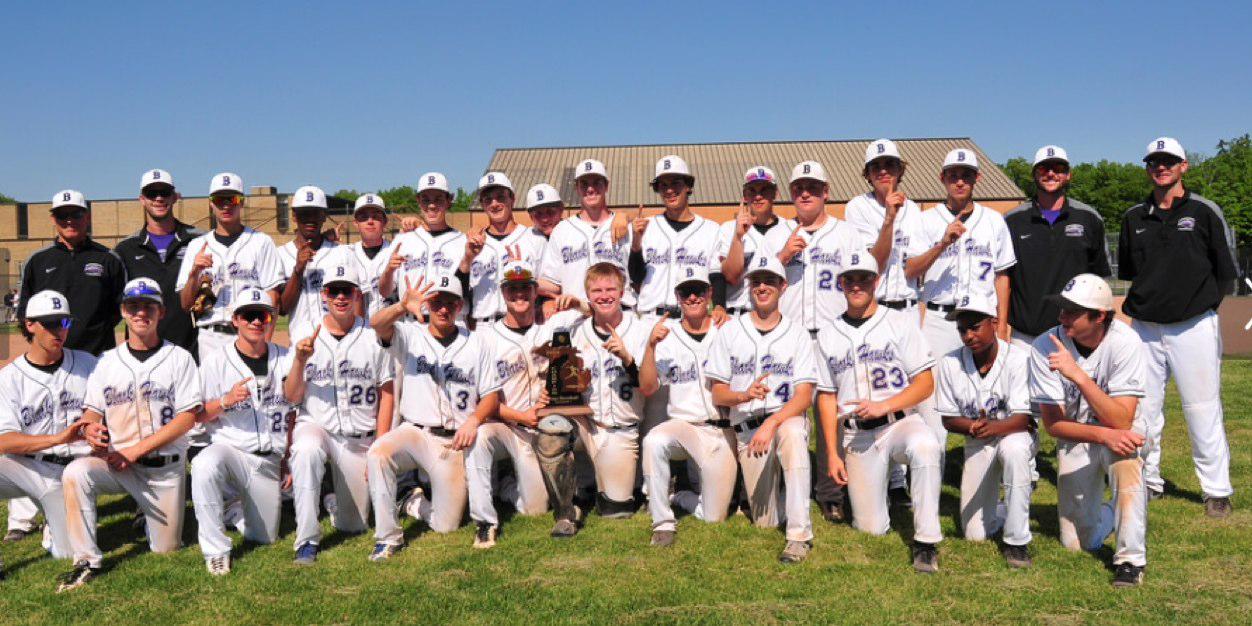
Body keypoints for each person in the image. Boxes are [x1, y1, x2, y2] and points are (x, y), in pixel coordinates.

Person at [56, 278, 202, 592]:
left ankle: (150, 517)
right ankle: (85, 559)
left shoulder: (179, 358)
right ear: (123, 311)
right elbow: (92, 411)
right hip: (117, 467)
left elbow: (188, 418)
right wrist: (91, 429)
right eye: (133, 306)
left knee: (165, 549)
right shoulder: (106, 362)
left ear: (161, 312)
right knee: (77, 472)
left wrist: (133, 451)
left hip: (164, 470)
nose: (141, 313)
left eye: (148, 306)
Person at [1118, 137, 1238, 515]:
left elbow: (1225, 275)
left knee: (1202, 407)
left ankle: (1216, 489)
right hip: (1145, 327)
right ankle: (1148, 480)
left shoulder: (1204, 212)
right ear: (1147, 167)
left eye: (1168, 161)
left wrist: (1199, 308)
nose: (1161, 167)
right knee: (1142, 410)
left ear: (1183, 165)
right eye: (1154, 161)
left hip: (1193, 325)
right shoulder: (1133, 217)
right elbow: (1132, 273)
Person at [814, 253, 942, 573]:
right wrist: (832, 454)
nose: (857, 285)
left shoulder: (899, 322)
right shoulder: (828, 335)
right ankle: (879, 500)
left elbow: (925, 384)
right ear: (841, 284)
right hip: (857, 435)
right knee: (870, 528)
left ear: (877, 281)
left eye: (864, 278)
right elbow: (827, 398)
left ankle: (926, 541)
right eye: (850, 280)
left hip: (899, 423)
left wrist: (885, 405)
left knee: (926, 446)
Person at [366, 273, 500, 559]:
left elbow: (491, 395)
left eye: (450, 303)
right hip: (415, 432)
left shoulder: (477, 343)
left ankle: (412, 504)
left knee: (446, 525)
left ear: (460, 306)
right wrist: (402, 306)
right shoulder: (410, 334)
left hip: (453, 441)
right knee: (378, 453)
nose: (443, 309)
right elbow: (376, 323)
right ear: (427, 304)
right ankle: (388, 537)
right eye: (437, 302)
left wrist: (474, 420)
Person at [1029, 274, 1149, 587]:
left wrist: (1079, 376)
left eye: (1072, 311)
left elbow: (1122, 421)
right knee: (1079, 543)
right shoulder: (1044, 345)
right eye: (1061, 309)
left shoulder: (1126, 342)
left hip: (1122, 432)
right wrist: (1103, 434)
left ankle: (1130, 561)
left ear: (1100, 316)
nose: (1062, 317)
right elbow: (1053, 425)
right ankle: (1111, 511)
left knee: (1126, 460)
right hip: (1076, 436)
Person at [706, 255, 816, 564]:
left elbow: (805, 396)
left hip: (784, 418)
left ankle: (799, 536)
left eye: (770, 281)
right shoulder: (729, 332)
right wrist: (742, 396)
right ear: (749, 287)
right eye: (756, 281)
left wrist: (773, 423)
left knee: (793, 435)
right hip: (747, 431)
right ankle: (783, 498)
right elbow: (718, 393)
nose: (762, 286)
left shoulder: (798, 333)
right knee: (765, 520)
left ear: (783, 286)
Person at [775, 160, 868, 524]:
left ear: (826, 192)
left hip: (833, 334)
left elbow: (862, 281)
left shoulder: (845, 234)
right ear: (792, 194)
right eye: (799, 187)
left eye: (812, 187)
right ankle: (788, 485)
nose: (806, 193)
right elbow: (759, 280)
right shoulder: (780, 232)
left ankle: (832, 490)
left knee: (836, 414)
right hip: (793, 336)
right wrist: (783, 255)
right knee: (790, 413)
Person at [284, 262, 394, 564]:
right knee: (306, 450)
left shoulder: (373, 336)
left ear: (357, 294)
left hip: (359, 439)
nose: (341, 297)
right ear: (324, 295)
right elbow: (291, 396)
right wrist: (299, 362)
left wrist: (380, 444)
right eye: (335, 291)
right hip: (318, 427)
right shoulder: (306, 335)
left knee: (353, 525)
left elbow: (387, 392)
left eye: (347, 290)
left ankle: (334, 502)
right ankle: (306, 541)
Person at [532, 262, 651, 535]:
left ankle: (594, 486)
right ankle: (566, 512)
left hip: (621, 430)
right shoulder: (574, 326)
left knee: (616, 510)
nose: (604, 295)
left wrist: (628, 359)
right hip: (585, 422)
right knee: (551, 430)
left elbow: (647, 386)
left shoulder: (642, 330)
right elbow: (536, 349)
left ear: (622, 293)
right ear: (587, 295)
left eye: (611, 289)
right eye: (596, 290)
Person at [466, 260, 566, 548]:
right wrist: (521, 416)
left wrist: (570, 301)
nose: (519, 294)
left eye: (525, 288)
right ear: (503, 293)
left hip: (537, 428)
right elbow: (480, 399)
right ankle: (485, 521)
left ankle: (508, 486)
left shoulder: (548, 330)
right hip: (504, 423)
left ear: (535, 292)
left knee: (534, 508)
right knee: (479, 435)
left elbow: (586, 314)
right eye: (512, 289)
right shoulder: (485, 338)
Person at [192, 287, 291, 575]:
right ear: (235, 320)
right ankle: (216, 551)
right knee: (203, 463)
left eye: (262, 315)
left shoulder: (285, 357)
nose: (257, 322)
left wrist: (286, 456)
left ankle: (234, 510)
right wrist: (225, 401)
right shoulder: (215, 362)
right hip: (232, 451)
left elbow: (294, 412)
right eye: (249, 315)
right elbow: (197, 415)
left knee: (265, 537)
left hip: (268, 460)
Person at [0, 291, 97, 576]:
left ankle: (53, 527)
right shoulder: (9, 378)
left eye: (64, 323)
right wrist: (57, 439)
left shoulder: (88, 364)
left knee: (65, 553)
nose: (59, 330)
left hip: (75, 472)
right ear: (30, 325)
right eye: (51, 323)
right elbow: (4, 440)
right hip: (30, 466)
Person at [638, 266, 736, 547]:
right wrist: (650, 347)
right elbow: (647, 387)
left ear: (709, 294)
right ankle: (663, 521)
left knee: (715, 516)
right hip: (684, 427)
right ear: (677, 297)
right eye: (685, 292)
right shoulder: (666, 336)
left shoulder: (726, 330)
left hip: (721, 429)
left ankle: (678, 495)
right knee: (654, 440)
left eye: (699, 291)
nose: (693, 297)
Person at [935, 297, 1035, 568]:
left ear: (994, 323)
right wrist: (970, 427)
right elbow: (947, 419)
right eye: (962, 329)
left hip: (1014, 435)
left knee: (1013, 451)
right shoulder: (949, 363)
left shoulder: (1018, 359)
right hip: (978, 441)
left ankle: (1017, 542)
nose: (968, 335)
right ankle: (1009, 506)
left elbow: (1023, 419)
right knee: (974, 534)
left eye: (975, 327)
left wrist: (991, 427)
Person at [1004, 146, 1111, 350]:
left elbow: (1101, 278)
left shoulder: (1089, 217)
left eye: (1058, 168)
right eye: (1044, 168)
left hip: (1076, 334)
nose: (1051, 173)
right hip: (1025, 336)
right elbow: (1001, 279)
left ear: (1068, 175)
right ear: (1034, 174)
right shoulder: (1012, 220)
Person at [176, 173, 284, 364]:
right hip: (211, 337)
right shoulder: (197, 246)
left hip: (250, 332)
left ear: (241, 202)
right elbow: (185, 305)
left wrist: (265, 340)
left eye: (232, 199)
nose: (226, 205)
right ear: (211, 203)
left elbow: (272, 296)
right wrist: (194, 275)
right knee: (215, 394)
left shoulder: (261, 242)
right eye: (219, 199)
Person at [18, 190, 126, 356]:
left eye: (76, 214)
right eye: (62, 215)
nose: (69, 220)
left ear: (87, 217)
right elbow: (25, 310)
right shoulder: (37, 261)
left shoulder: (108, 258)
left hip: (97, 355)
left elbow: (120, 308)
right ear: (53, 219)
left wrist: (94, 330)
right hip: (52, 356)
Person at [115, 169, 206, 360]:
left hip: (191, 349)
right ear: (142, 199)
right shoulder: (126, 249)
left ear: (174, 197)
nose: (158, 198)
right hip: (143, 351)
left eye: (164, 193)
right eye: (151, 193)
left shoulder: (198, 241)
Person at [630, 155, 725, 321]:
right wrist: (636, 244)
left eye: (676, 183)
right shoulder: (647, 226)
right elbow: (636, 277)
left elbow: (716, 275)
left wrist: (719, 305)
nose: (669, 190)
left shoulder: (711, 229)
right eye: (663, 185)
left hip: (693, 320)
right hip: (651, 318)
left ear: (688, 186)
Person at [537, 158, 634, 312]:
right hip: (576, 315)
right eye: (584, 184)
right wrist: (523, 280)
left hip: (620, 313)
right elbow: (553, 282)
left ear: (606, 186)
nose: (590, 189)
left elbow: (637, 274)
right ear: (577, 188)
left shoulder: (625, 227)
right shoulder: (562, 230)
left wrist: (627, 216)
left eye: (597, 182)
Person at [844, 139, 923, 313]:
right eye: (875, 166)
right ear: (868, 174)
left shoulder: (913, 210)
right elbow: (874, 265)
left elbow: (913, 271)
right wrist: (889, 219)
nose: (883, 171)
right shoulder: (857, 207)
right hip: (875, 307)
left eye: (890, 164)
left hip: (909, 308)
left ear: (900, 169)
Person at [460, 172, 547, 326]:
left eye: (501, 197)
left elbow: (550, 286)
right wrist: (467, 259)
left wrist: (522, 274)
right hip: (483, 326)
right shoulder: (472, 244)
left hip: (525, 324)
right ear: (482, 204)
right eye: (488, 199)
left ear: (512, 199)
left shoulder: (535, 238)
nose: (494, 204)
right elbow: (460, 290)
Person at [717, 166, 796, 317]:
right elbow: (731, 277)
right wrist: (738, 237)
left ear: (776, 193)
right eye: (752, 191)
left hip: (778, 316)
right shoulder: (729, 229)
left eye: (764, 190)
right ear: (744, 195)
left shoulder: (790, 229)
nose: (758, 196)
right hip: (739, 314)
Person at [384, 172, 467, 310]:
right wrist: (388, 271)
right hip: (411, 324)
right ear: (418, 201)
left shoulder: (463, 242)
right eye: (426, 200)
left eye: (438, 199)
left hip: (451, 322)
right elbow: (385, 292)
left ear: (449, 201)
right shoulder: (402, 241)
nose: (432, 205)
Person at [278, 186, 341, 339]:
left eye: (316, 213)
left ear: (324, 216)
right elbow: (283, 309)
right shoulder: (279, 254)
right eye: (304, 213)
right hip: (301, 341)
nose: (310, 218)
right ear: (294, 216)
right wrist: (298, 269)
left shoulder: (341, 253)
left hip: (337, 340)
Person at [338, 193, 396, 323]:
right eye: (364, 218)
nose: (370, 221)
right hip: (358, 331)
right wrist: (327, 238)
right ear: (355, 223)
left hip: (393, 329)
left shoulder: (397, 251)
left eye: (376, 217)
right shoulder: (345, 253)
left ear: (385, 222)